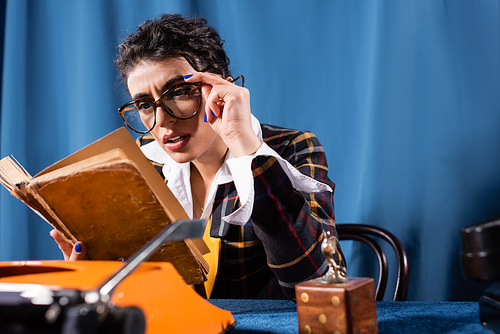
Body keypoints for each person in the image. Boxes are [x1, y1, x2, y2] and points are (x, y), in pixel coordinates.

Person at [50, 13, 344, 300]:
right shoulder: (139, 165)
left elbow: (314, 283)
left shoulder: (291, 148)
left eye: (178, 92)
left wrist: (247, 149)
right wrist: (96, 275)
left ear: (222, 88)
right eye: (144, 104)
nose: (162, 120)